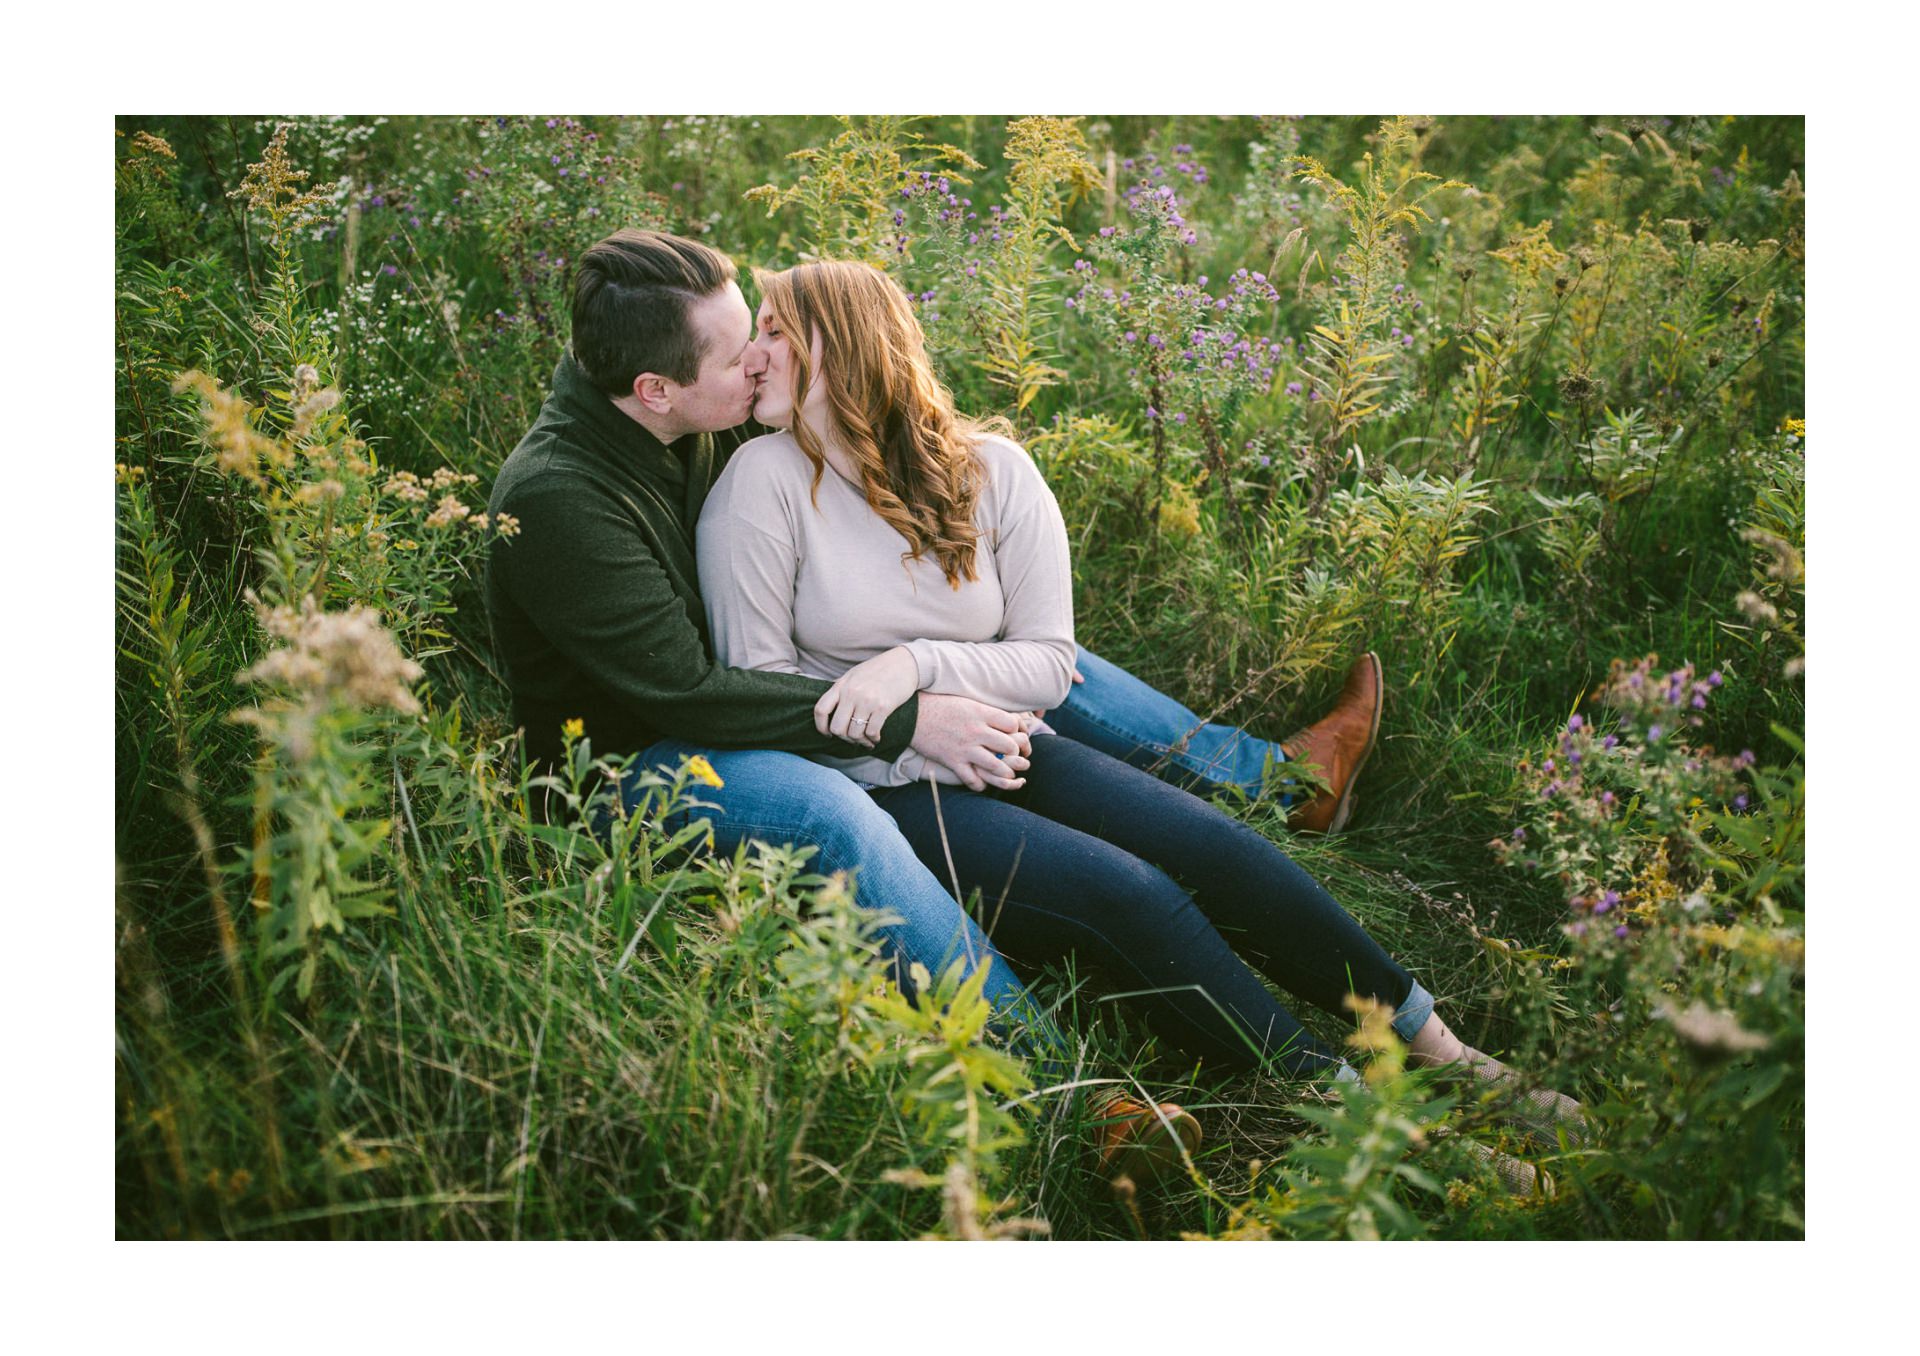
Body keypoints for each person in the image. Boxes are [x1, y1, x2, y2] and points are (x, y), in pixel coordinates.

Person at [694, 259, 1584, 1131]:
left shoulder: (992, 469)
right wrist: (913, 728)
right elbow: (759, 691)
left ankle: (1449, 1058)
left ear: (845, 342)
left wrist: (917, 665)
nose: (753, 354)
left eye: (775, 329)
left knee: (1214, 845)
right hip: (879, 786)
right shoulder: (759, 486)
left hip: (1005, 745)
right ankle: (1364, 1117)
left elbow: (1048, 661)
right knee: (1130, 893)